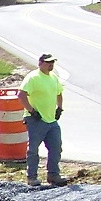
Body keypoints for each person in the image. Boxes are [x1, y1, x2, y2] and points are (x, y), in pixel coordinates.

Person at [17, 52, 68, 187]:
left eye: (52, 63)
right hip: (36, 120)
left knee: (56, 147)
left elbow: (59, 93)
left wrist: (59, 108)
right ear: (40, 63)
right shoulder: (33, 77)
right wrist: (32, 111)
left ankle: (53, 175)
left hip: (51, 120)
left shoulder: (53, 77)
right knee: (33, 149)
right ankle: (32, 177)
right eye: (48, 62)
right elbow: (21, 95)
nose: (50, 65)